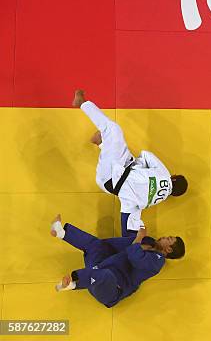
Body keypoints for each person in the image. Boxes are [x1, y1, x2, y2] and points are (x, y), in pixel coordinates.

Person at [72, 90, 188, 236]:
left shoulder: (165, 175)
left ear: (175, 177)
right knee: (126, 157)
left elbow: (146, 154)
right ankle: (102, 144)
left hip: (117, 171)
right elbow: (129, 212)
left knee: (113, 130)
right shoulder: (153, 201)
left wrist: (139, 168)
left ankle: (82, 104)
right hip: (109, 183)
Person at [50, 214, 185, 307]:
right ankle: (61, 233)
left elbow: (135, 258)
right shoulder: (148, 241)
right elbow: (125, 242)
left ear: (169, 250)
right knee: (97, 245)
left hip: (111, 289)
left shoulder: (157, 262)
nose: (165, 237)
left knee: (105, 275)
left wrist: (138, 238)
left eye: (169, 239)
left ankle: (72, 284)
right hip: (102, 265)